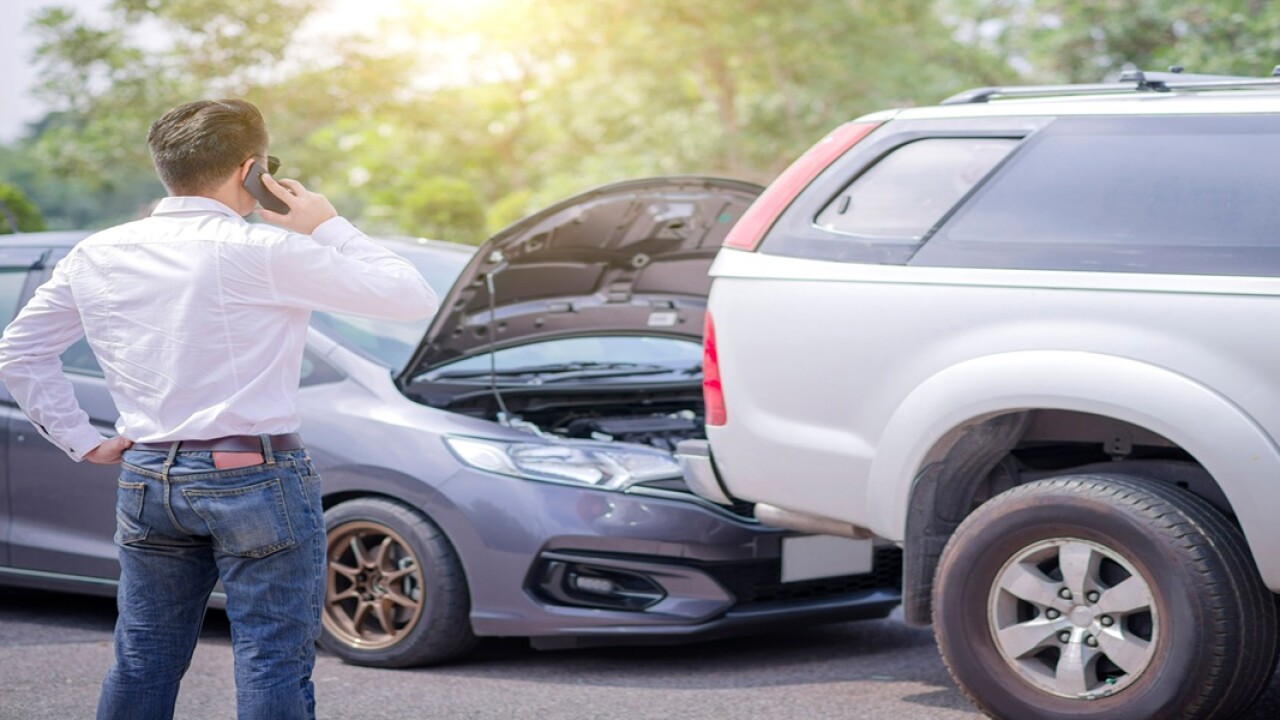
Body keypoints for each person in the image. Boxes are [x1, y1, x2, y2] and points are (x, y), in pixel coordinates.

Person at [0, 99, 437, 720]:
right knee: (270, 658)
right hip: (255, 475)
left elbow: (18, 353)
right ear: (252, 168)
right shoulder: (260, 250)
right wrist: (326, 224)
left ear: (166, 169)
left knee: (143, 655)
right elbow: (410, 296)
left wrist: (81, 439)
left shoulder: (97, 252)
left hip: (149, 475)